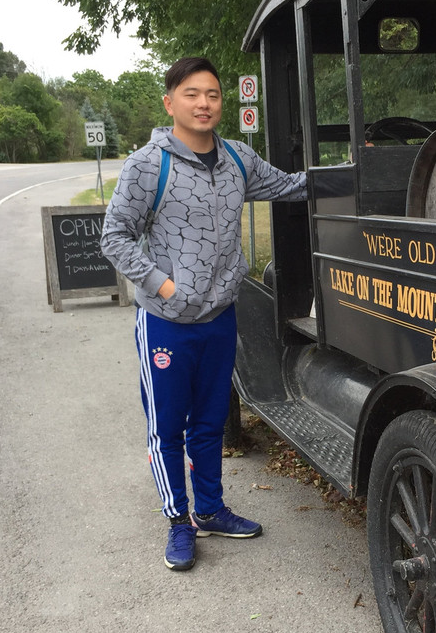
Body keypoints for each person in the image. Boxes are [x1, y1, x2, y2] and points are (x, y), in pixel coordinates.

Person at [101, 57, 307, 571]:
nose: (204, 103)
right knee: (168, 426)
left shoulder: (238, 159)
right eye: (192, 94)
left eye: (213, 95)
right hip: (166, 323)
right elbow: (114, 237)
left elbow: (288, 186)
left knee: (211, 422)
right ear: (171, 102)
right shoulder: (148, 164)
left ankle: (211, 510)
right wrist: (164, 285)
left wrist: (355, 173)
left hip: (219, 317)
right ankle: (178, 521)